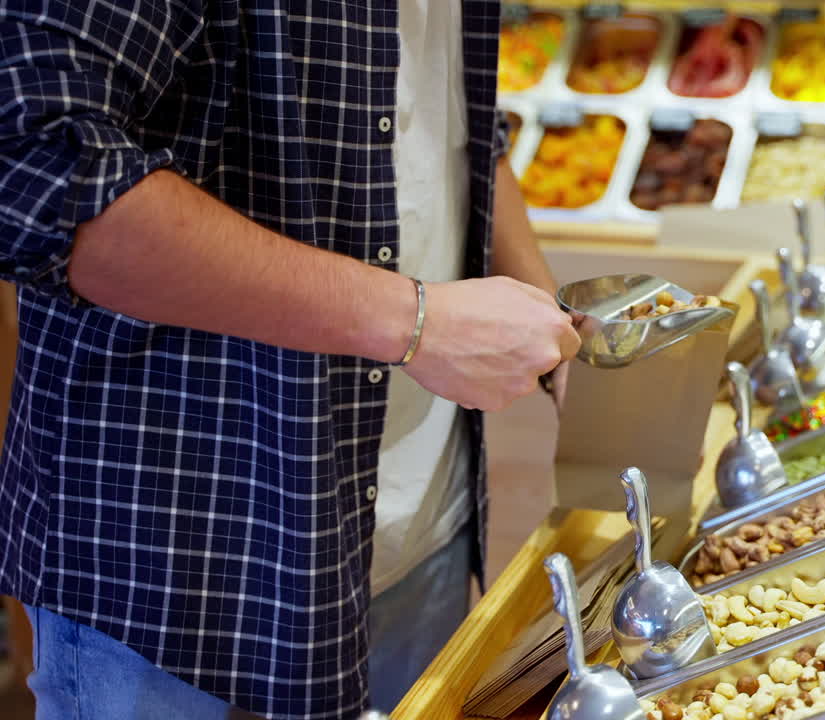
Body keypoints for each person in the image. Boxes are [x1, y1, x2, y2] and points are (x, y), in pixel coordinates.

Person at [0, 0, 579, 718]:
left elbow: (460, 122)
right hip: (185, 561)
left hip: (423, 527)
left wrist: (560, 330)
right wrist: (416, 322)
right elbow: (34, 166)